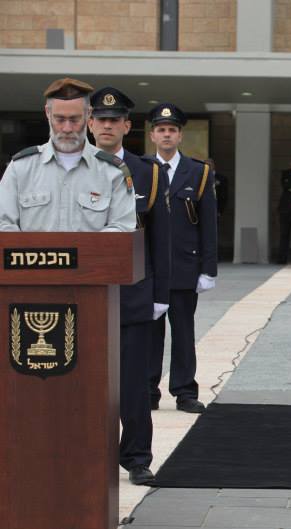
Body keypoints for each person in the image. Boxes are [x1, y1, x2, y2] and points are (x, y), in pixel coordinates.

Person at [88, 86, 171, 486]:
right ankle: (87, 451)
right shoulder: (72, 168)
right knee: (83, 379)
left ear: (126, 126)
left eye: (113, 120)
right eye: (100, 119)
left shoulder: (148, 173)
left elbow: (161, 241)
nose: (106, 125)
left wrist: (160, 296)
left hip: (134, 294)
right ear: (90, 124)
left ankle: (137, 456)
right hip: (83, 294)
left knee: (134, 383)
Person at [147, 102, 218, 415]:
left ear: (179, 135)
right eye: (161, 130)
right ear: (152, 135)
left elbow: (209, 225)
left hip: (184, 267)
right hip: (150, 270)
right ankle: (148, 390)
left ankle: (185, 391)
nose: (166, 135)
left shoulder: (198, 172)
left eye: (172, 130)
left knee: (184, 333)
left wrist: (208, 269)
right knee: (148, 335)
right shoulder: (141, 170)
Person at [0, 77, 135, 232]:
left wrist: (79, 253)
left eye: (74, 119)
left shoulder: (113, 171)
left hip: (92, 256)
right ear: (47, 113)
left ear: (88, 114)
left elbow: (121, 227)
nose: (67, 128)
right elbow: (4, 224)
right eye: (60, 119)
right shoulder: (20, 168)